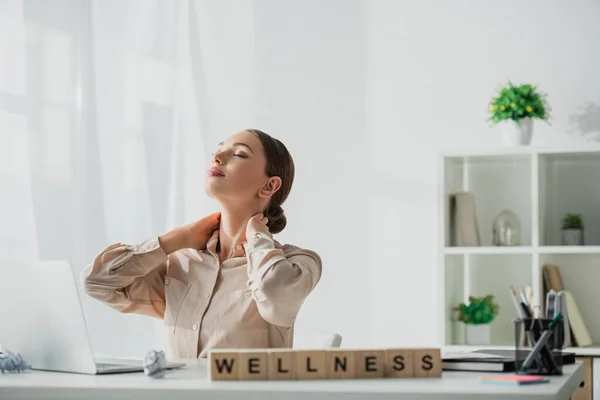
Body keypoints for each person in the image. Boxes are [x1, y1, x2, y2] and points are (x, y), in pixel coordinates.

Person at [80, 129, 322, 359]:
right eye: (217, 151)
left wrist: (259, 237)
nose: (217, 157)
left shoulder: (296, 264)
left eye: (239, 153)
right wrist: (173, 240)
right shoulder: (182, 263)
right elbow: (96, 283)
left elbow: (274, 293)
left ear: (269, 186)